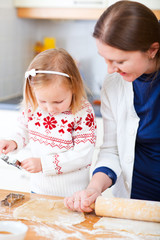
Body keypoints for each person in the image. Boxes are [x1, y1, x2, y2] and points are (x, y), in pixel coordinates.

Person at [64, 0, 160, 212]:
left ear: (152, 50)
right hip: (133, 200)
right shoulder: (114, 84)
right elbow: (111, 150)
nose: (109, 70)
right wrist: (94, 188)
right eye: (105, 59)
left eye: (120, 61)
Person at [0, 48, 97, 197]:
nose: (50, 108)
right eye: (43, 101)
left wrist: (44, 164)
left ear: (74, 87)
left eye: (58, 101)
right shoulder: (33, 106)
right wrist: (13, 141)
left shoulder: (82, 112)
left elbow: (82, 155)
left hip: (74, 194)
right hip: (38, 190)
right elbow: (23, 129)